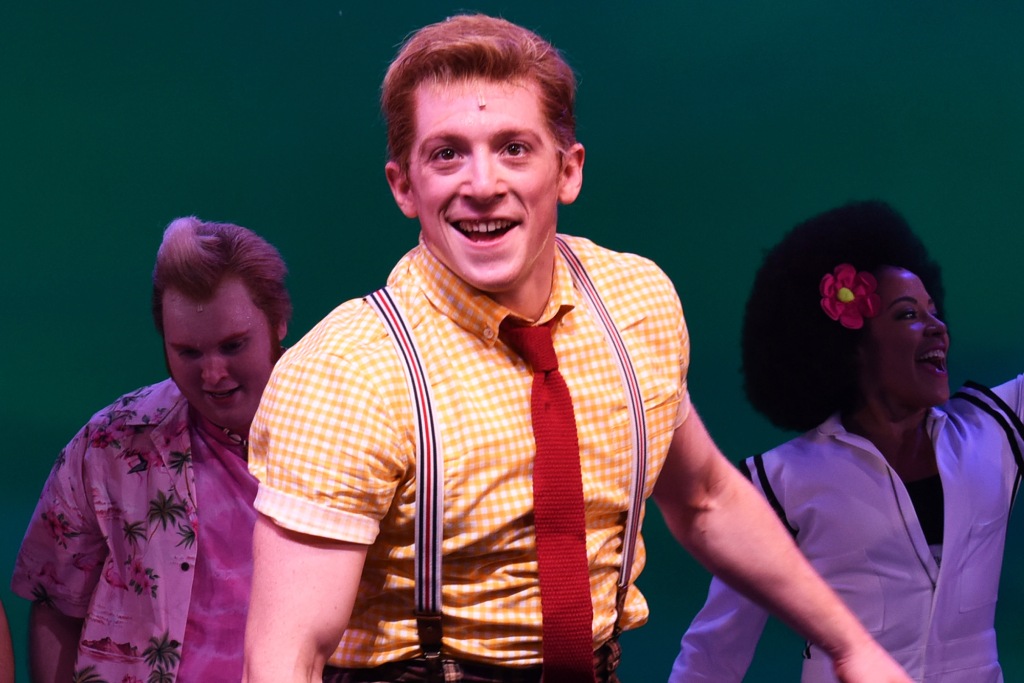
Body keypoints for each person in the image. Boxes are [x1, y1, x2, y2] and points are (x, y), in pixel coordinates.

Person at [241, 15, 910, 683]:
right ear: (404, 186)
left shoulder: (634, 302)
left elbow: (704, 497)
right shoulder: (347, 372)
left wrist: (853, 648)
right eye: (448, 153)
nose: (481, 184)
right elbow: (284, 655)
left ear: (568, 171)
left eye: (513, 148)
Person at [670, 200, 1021, 682]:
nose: (938, 327)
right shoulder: (781, 483)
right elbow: (714, 654)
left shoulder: (995, 432)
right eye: (907, 315)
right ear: (852, 347)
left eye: (933, 312)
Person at [11, 216, 291, 683]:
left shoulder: (342, 430)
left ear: (278, 320)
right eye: (189, 353)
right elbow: (55, 602)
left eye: (233, 345)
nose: (214, 374)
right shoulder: (109, 444)